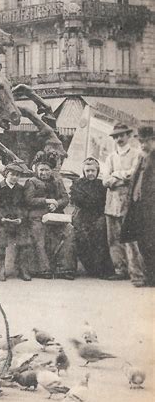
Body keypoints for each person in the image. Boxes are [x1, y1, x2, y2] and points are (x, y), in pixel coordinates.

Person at [101, 122, 145, 286]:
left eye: (122, 135)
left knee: (130, 237)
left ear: (128, 136)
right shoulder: (110, 157)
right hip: (111, 203)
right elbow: (105, 180)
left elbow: (133, 175)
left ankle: (136, 272)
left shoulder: (136, 154)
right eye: (116, 136)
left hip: (128, 202)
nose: (119, 139)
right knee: (113, 238)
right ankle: (120, 270)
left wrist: (116, 175)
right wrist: (120, 178)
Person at [24, 156, 76, 280]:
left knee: (69, 232)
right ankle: (43, 269)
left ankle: (64, 269)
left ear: (51, 170)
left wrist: (56, 203)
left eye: (47, 170)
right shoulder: (31, 182)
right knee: (39, 237)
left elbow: (65, 198)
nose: (44, 173)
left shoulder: (58, 181)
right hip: (37, 216)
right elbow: (29, 200)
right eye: (41, 170)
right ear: (36, 170)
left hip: (56, 216)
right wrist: (46, 201)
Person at [122, 126, 155, 286]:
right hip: (138, 207)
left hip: (152, 208)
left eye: (146, 141)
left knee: (151, 242)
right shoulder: (142, 157)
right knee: (143, 242)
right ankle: (149, 276)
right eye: (140, 141)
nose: (142, 145)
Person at [70, 157, 114, 279]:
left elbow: (103, 202)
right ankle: (90, 268)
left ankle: (101, 269)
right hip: (82, 215)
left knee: (100, 233)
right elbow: (77, 200)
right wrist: (92, 201)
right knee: (81, 237)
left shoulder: (101, 185)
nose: (90, 173)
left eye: (93, 171)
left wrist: (91, 202)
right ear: (84, 171)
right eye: (87, 171)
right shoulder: (77, 184)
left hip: (98, 215)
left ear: (97, 171)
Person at [0, 161, 32, 282]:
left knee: (24, 239)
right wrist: (0, 218)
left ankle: (22, 268)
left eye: (17, 175)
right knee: (1, 239)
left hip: (17, 221)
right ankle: (2, 268)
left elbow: (25, 207)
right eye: (12, 174)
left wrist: (21, 218)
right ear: (6, 174)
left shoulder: (20, 189)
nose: (15, 177)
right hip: (3, 221)